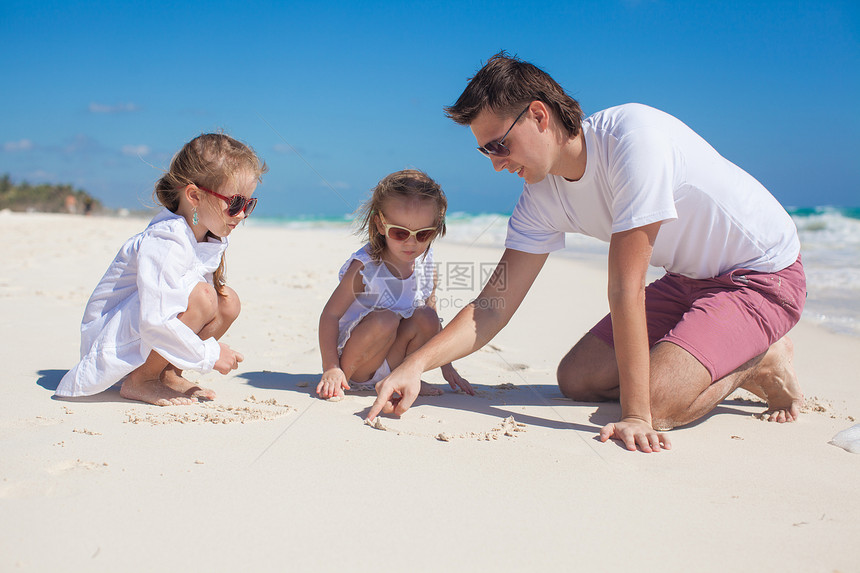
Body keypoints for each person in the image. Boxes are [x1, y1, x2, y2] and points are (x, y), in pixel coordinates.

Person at [368, 52, 806, 453]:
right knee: (577, 379)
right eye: (485, 150)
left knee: (657, 403)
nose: (495, 162)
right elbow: (492, 306)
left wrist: (637, 415)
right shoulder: (539, 195)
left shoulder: (633, 139)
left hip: (762, 276)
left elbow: (625, 288)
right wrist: (415, 365)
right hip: (688, 279)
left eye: (499, 145)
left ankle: (762, 357)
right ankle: (706, 350)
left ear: (538, 115)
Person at [55, 133, 267, 406]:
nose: (241, 214)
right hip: (111, 339)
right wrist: (207, 355)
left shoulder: (208, 236)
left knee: (228, 301)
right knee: (203, 295)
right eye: (235, 203)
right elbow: (154, 320)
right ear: (194, 196)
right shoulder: (166, 240)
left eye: (249, 204)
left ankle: (167, 372)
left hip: (142, 331)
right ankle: (142, 380)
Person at [317, 169, 473, 400]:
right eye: (400, 233)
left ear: (436, 227)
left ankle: (405, 377)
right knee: (386, 318)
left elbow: (430, 314)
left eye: (423, 234)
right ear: (381, 225)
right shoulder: (365, 267)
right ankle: (344, 381)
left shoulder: (425, 263)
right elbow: (330, 315)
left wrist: (446, 366)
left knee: (428, 316)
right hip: (359, 361)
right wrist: (331, 368)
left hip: (394, 358)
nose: (411, 243)